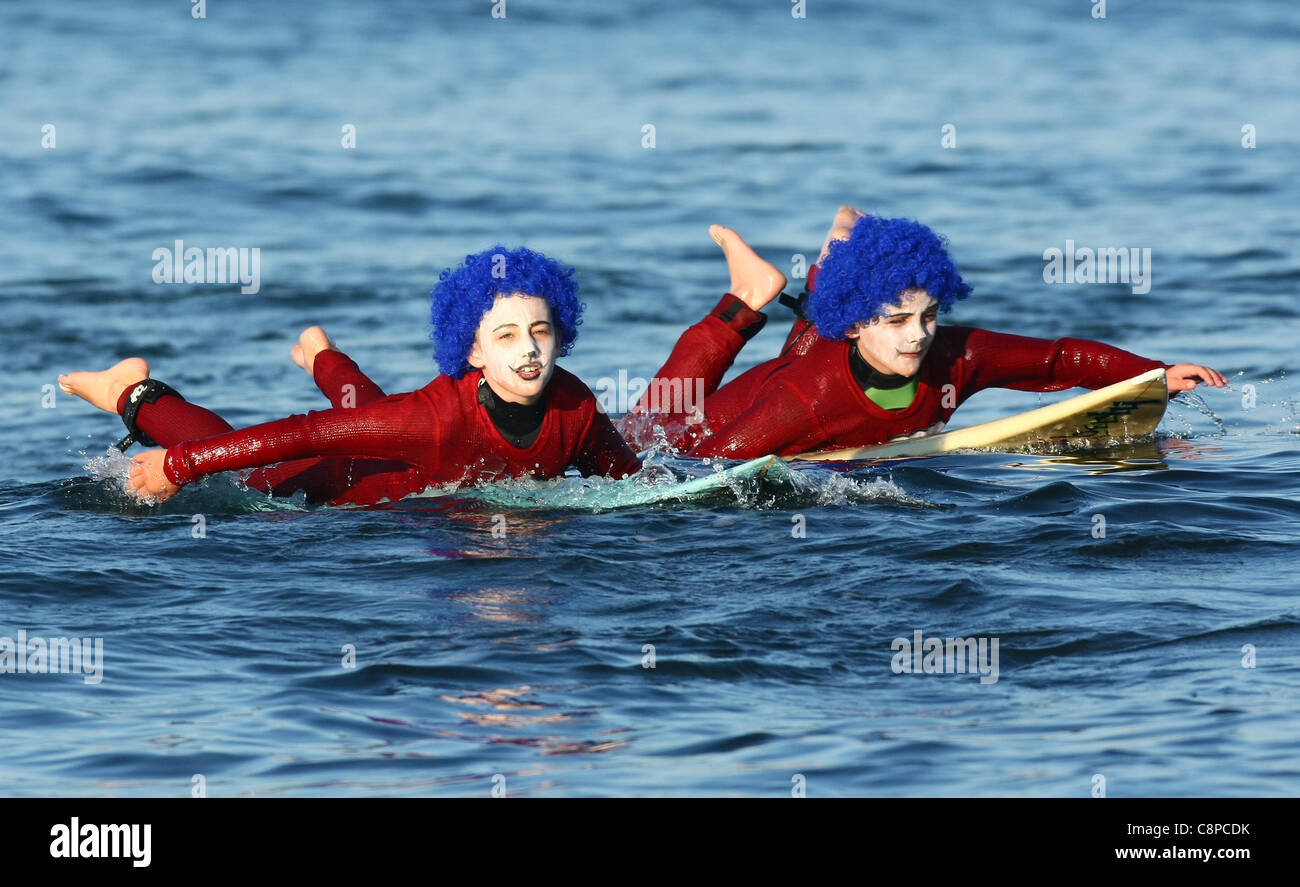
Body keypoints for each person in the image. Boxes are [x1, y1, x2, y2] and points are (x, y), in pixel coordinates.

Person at [621, 207, 1227, 459]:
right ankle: (750, 295)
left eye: (930, 315)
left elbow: (1055, 359)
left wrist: (1152, 372)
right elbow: (701, 469)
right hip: (722, 425)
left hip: (831, 350)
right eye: (900, 321)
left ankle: (837, 255)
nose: (919, 336)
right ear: (865, 324)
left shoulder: (954, 353)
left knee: (822, 331)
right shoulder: (800, 406)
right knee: (651, 426)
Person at [60, 247, 641, 504]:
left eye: (540, 331)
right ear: (473, 352)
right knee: (249, 475)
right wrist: (179, 465)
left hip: (394, 449)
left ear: (561, 336)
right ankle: (128, 390)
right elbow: (306, 436)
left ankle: (322, 357)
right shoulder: (433, 418)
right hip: (324, 483)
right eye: (506, 336)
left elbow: (630, 483)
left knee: (372, 414)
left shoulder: (576, 406)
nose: (529, 351)